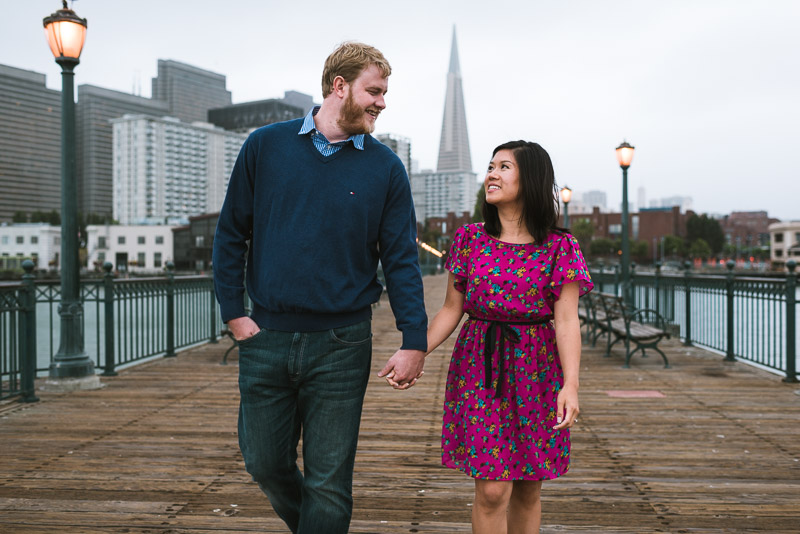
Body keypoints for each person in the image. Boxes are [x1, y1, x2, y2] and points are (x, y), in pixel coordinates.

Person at [212, 42, 427, 534]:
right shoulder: (265, 146)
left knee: (329, 482)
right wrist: (233, 311)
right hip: (265, 335)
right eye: (374, 91)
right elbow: (230, 234)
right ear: (339, 87)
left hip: (342, 344)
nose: (382, 102)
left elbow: (401, 261)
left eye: (384, 93)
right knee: (263, 462)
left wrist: (414, 339)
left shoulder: (386, 169)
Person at [424, 140, 593, 533]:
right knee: (493, 490)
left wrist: (571, 385)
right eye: (490, 167)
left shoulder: (560, 246)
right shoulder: (469, 239)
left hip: (537, 370)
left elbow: (567, 321)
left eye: (504, 167)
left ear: (530, 179)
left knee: (529, 486)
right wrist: (416, 351)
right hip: (480, 367)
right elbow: (452, 308)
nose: (492, 175)